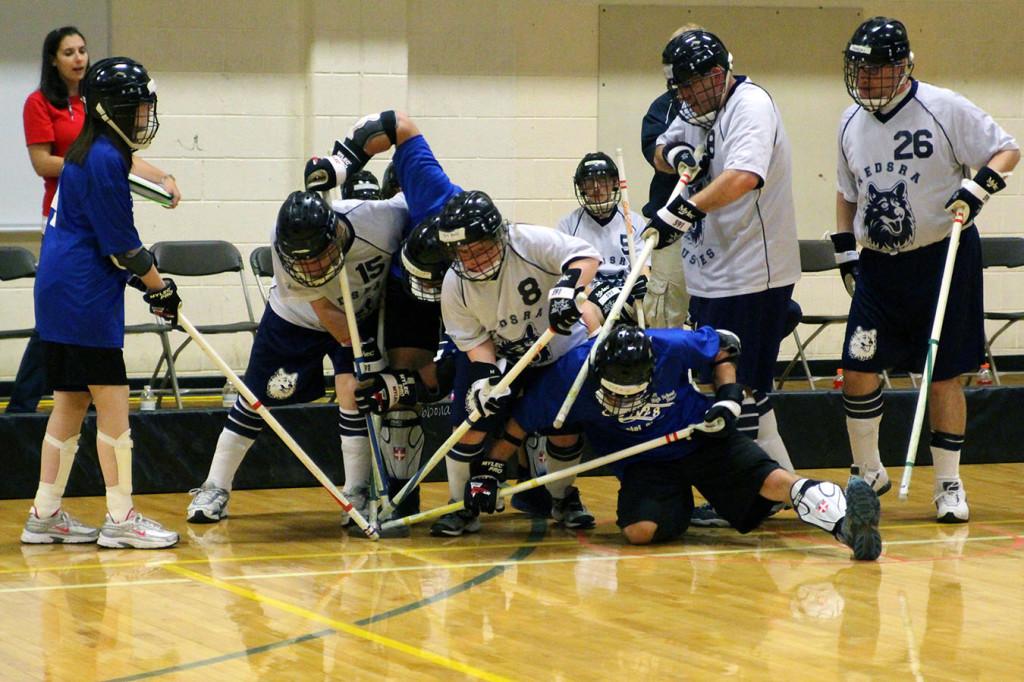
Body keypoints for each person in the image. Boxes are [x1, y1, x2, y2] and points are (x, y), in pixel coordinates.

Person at [309, 112, 607, 536]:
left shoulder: (524, 239)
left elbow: (583, 257)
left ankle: (562, 498)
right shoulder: (456, 282)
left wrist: (568, 292)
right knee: (468, 413)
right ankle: (452, 502)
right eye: (463, 254)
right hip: (475, 331)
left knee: (562, 422)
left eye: (480, 250)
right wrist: (485, 382)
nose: (473, 260)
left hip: (553, 341)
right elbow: (474, 345)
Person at [475, 325, 882, 561]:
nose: (623, 400)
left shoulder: (668, 346)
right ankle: (685, 510)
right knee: (638, 532)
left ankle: (846, 522)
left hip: (700, 437)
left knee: (776, 481)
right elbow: (517, 427)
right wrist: (488, 475)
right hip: (645, 464)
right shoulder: (569, 376)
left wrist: (727, 397)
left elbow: (724, 347)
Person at [832, 17, 1019, 522]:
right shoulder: (850, 121)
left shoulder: (944, 107)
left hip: (943, 256)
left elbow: (1006, 150)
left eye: (875, 71)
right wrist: (846, 252)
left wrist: (976, 190)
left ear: (902, 67)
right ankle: (867, 472)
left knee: (944, 376)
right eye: (859, 72)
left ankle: (948, 484)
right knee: (856, 368)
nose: (866, 81)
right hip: (878, 267)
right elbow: (848, 194)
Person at [21, 57, 180, 549]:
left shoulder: (89, 150)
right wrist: (159, 287)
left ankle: (44, 514)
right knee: (113, 403)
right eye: (137, 107)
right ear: (112, 109)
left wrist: (145, 282)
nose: (143, 116)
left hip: (58, 289)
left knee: (70, 401)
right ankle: (121, 516)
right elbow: (124, 248)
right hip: (83, 296)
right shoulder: (106, 160)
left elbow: (107, 243)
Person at [645, 29, 801, 526]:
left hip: (753, 269)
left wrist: (683, 210)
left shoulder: (750, 105)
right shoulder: (697, 110)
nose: (685, 97)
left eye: (692, 86)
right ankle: (787, 483)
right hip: (712, 271)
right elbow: (660, 146)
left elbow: (742, 177)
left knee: (738, 386)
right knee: (738, 383)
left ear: (717, 75)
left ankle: (756, 489)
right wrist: (678, 158)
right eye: (680, 89)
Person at [186, 190, 415, 525]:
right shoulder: (283, 243)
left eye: (318, 257)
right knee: (254, 398)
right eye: (302, 261)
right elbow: (325, 311)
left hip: (361, 311)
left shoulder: (380, 221)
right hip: (296, 317)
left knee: (354, 394)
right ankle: (215, 485)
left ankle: (356, 492)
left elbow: (416, 199)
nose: (310, 267)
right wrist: (361, 350)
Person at [11, 27, 180, 414]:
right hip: (73, 225)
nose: (78, 58)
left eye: (83, 50)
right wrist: (157, 285)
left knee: (69, 387)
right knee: (67, 333)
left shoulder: (96, 123)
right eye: (68, 52)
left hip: (91, 227)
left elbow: (117, 152)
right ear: (53, 59)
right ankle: (21, 406)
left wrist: (160, 178)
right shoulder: (45, 107)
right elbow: (45, 163)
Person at [639, 23, 703, 329]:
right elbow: (655, 154)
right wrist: (676, 156)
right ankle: (667, 375)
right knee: (666, 309)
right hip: (672, 223)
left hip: (716, 226)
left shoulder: (735, 108)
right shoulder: (664, 108)